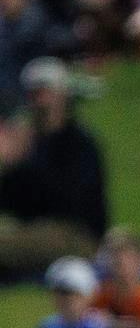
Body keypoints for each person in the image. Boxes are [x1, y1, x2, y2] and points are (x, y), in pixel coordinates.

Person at [0, 57, 109, 279]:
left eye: (44, 92)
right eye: (33, 94)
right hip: (37, 231)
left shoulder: (79, 144)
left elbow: (69, 201)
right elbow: (10, 199)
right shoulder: (33, 142)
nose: (39, 101)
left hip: (77, 234)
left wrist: (22, 164)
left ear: (62, 95)